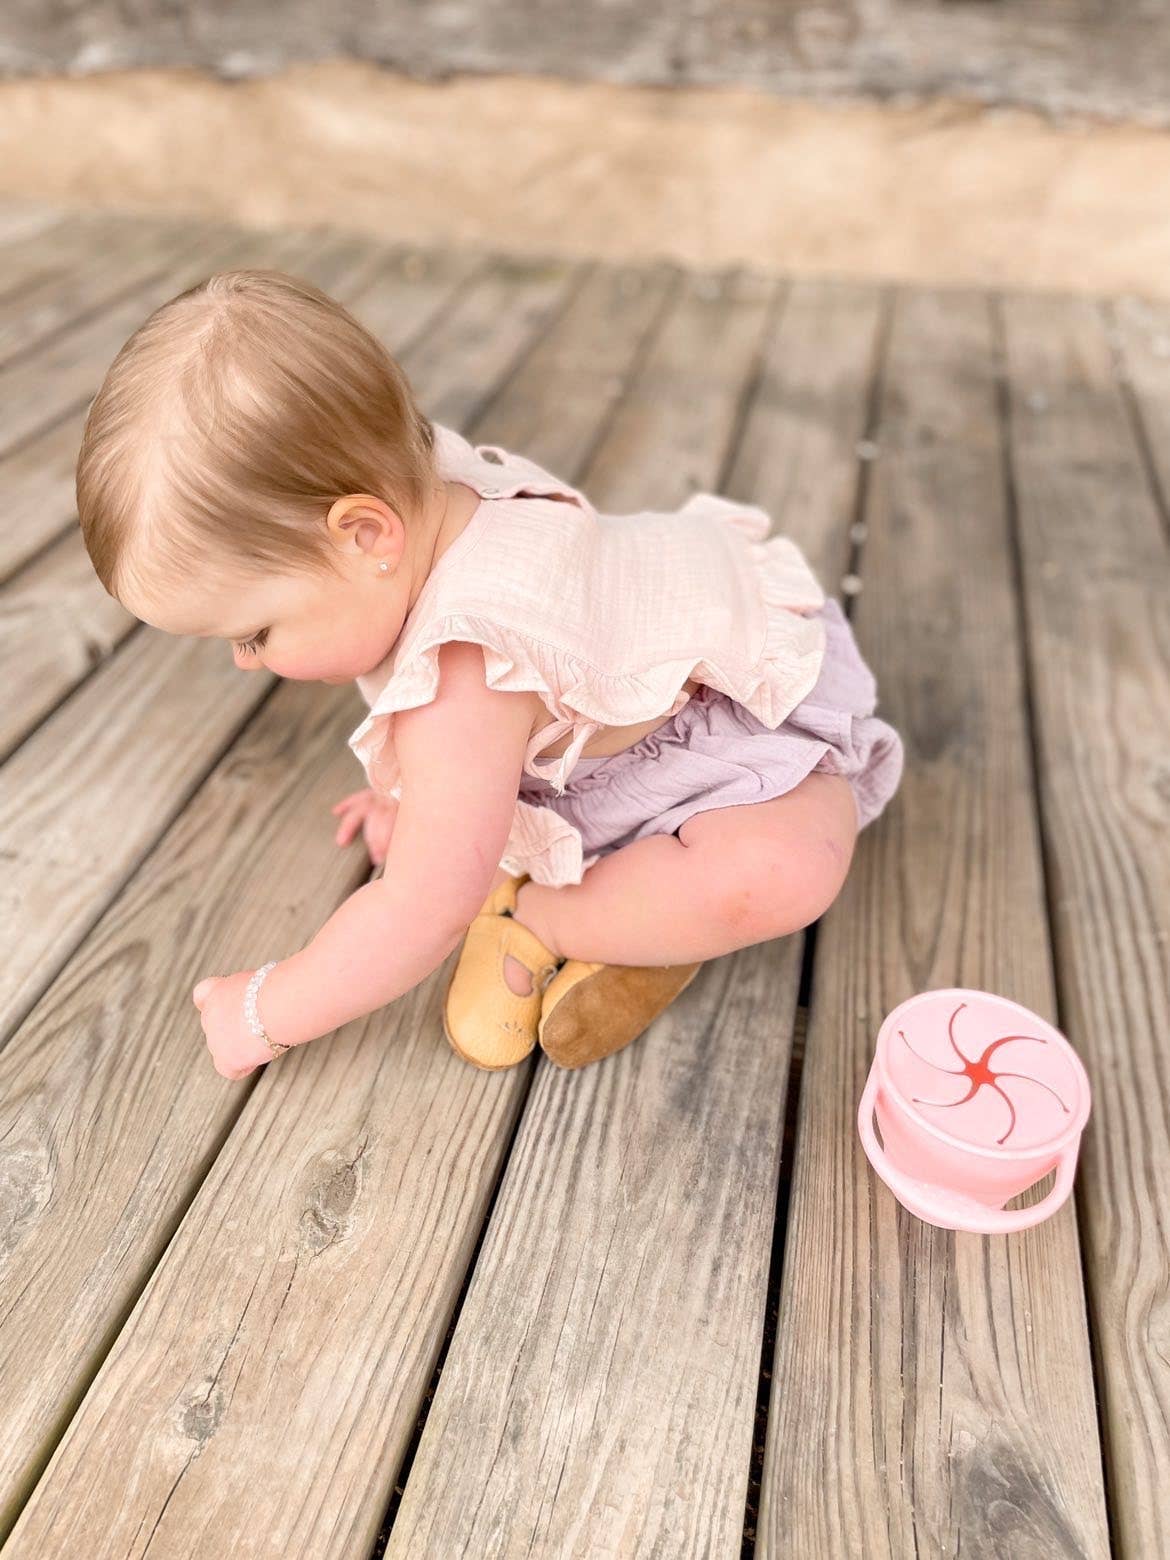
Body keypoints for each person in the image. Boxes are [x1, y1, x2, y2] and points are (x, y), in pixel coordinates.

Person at [75, 268, 904, 1081]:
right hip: (637, 693)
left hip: (723, 719)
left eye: (255, 632)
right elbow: (476, 739)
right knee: (470, 810)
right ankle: (603, 904)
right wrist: (414, 789)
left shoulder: (465, 675)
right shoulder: (429, 480)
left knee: (784, 870)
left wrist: (265, 1010)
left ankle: (541, 914)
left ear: (367, 535)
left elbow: (419, 911)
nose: (244, 660)